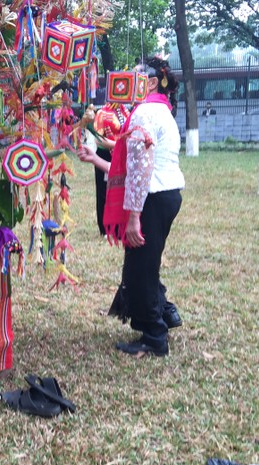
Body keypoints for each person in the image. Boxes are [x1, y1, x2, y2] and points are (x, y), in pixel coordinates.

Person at [78, 57, 185, 357]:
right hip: (166, 194)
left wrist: (134, 217)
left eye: (136, 75)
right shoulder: (159, 108)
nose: (126, 79)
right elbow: (130, 160)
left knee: (139, 272)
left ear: (151, 83)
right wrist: (95, 158)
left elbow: (140, 170)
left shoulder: (143, 114)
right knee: (143, 265)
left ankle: (154, 335)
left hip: (152, 198)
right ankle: (164, 315)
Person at [91, 102, 130, 236]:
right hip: (106, 154)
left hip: (121, 155)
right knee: (104, 191)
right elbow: (98, 139)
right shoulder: (102, 112)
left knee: (119, 189)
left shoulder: (126, 112)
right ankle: (105, 228)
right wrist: (118, 144)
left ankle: (119, 225)